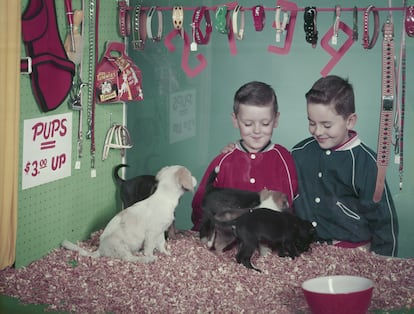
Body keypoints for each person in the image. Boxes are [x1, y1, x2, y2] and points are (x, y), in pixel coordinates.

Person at [291, 75, 399, 257]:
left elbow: (383, 222)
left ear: (350, 121)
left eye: (326, 125)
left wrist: (384, 264)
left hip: (354, 253)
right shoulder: (299, 152)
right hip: (305, 251)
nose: (317, 131)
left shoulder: (367, 162)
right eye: (311, 123)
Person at [191, 81, 298, 231]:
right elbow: (200, 205)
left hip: (268, 241)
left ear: (276, 120)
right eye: (248, 124)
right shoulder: (223, 160)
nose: (256, 130)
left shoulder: (283, 159)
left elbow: (288, 206)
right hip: (225, 237)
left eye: (265, 123)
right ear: (235, 120)